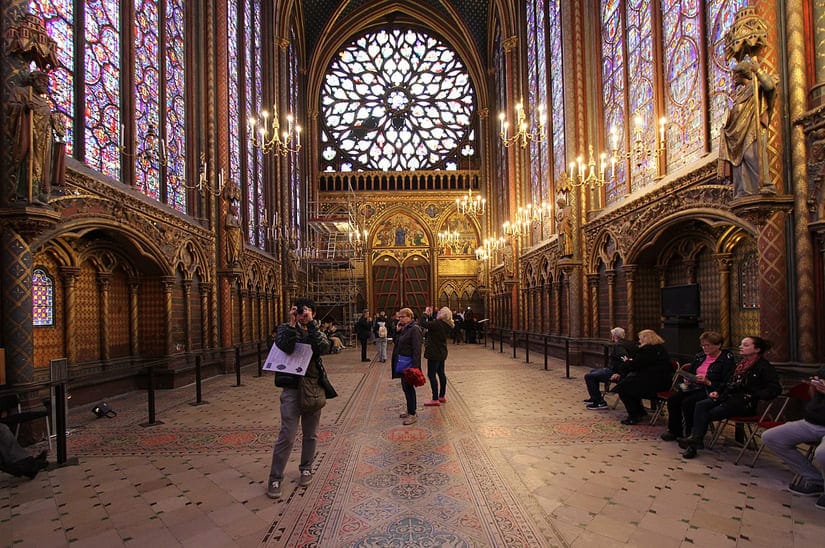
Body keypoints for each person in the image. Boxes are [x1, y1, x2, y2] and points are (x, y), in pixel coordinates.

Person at [678, 336, 781, 459]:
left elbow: (775, 389)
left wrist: (753, 395)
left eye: (746, 345)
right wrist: (718, 391)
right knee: (700, 405)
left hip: (744, 403)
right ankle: (695, 441)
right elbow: (728, 382)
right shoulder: (740, 364)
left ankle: (694, 442)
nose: (740, 347)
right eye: (741, 344)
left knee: (707, 413)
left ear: (757, 349)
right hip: (728, 397)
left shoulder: (764, 367)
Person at [266, 298, 330, 499]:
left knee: (310, 433)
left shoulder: (315, 330)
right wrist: (292, 324)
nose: (303, 314)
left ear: (313, 313)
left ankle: (306, 467)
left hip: (312, 387)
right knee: (287, 434)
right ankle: (275, 477)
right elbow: (284, 345)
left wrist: (310, 324)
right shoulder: (286, 329)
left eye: (307, 311)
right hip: (292, 388)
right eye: (300, 311)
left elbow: (323, 347)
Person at [761, 367, 825, 509]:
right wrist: (814, 387)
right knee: (771, 437)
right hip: (812, 421)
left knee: (822, 453)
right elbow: (813, 396)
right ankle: (815, 479)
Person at [660, 332, 736, 441]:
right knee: (673, 399)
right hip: (695, 386)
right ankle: (674, 431)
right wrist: (688, 378)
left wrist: (708, 381)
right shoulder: (700, 356)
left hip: (710, 389)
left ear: (718, 345)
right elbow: (691, 371)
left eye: (708, 345)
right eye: (703, 345)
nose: (704, 348)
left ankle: (690, 435)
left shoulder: (726, 360)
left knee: (688, 403)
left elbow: (727, 382)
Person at [717, 58, 777, 197]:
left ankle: (763, 185)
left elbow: (770, 87)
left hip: (752, 131)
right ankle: (743, 191)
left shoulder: (756, 86)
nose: (733, 79)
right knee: (739, 163)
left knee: (752, 156)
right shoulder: (739, 93)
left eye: (735, 75)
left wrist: (758, 71)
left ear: (742, 74)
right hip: (737, 135)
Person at [7, 70, 66, 205]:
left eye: (47, 83)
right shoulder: (22, 93)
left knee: (44, 166)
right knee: (29, 163)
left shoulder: (44, 102)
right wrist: (24, 108)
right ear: (35, 81)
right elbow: (9, 108)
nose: (46, 85)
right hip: (29, 136)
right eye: (43, 82)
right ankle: (26, 193)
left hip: (44, 140)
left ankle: (41, 194)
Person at [613, 329, 672, 425]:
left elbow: (636, 365)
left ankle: (633, 416)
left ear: (646, 339)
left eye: (640, 339)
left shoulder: (647, 350)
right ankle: (640, 411)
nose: (639, 341)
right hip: (663, 381)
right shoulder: (660, 348)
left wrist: (628, 362)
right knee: (629, 384)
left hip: (653, 383)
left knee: (623, 389)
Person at [584, 327, 638, 410]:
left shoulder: (619, 346)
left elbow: (626, 361)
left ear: (614, 336)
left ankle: (599, 402)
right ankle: (594, 397)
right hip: (619, 370)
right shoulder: (630, 343)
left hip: (616, 372)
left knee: (589, 376)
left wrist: (619, 373)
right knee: (593, 372)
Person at [391, 307, 422, 425]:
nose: (400, 319)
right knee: (405, 388)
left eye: (402, 317)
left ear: (409, 317)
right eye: (399, 317)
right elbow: (396, 342)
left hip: (409, 364)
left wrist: (415, 368)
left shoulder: (414, 329)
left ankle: (413, 413)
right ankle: (410, 410)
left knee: (409, 388)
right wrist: (397, 331)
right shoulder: (404, 328)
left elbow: (417, 350)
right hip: (402, 363)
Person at [419, 306, 454, 406]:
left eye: (440, 312)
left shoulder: (438, 324)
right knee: (441, 373)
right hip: (441, 351)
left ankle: (435, 398)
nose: (437, 312)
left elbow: (423, 323)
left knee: (431, 374)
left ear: (443, 315)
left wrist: (425, 314)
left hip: (434, 353)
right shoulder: (445, 324)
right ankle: (441, 396)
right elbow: (432, 326)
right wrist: (430, 317)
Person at [224, 201, 242, 266]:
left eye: (237, 210)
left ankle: (236, 258)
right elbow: (227, 224)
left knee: (237, 247)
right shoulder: (229, 216)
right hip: (231, 233)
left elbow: (239, 226)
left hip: (236, 234)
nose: (236, 212)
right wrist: (235, 226)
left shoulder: (235, 218)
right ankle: (233, 258)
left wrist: (239, 223)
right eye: (236, 210)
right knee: (233, 246)